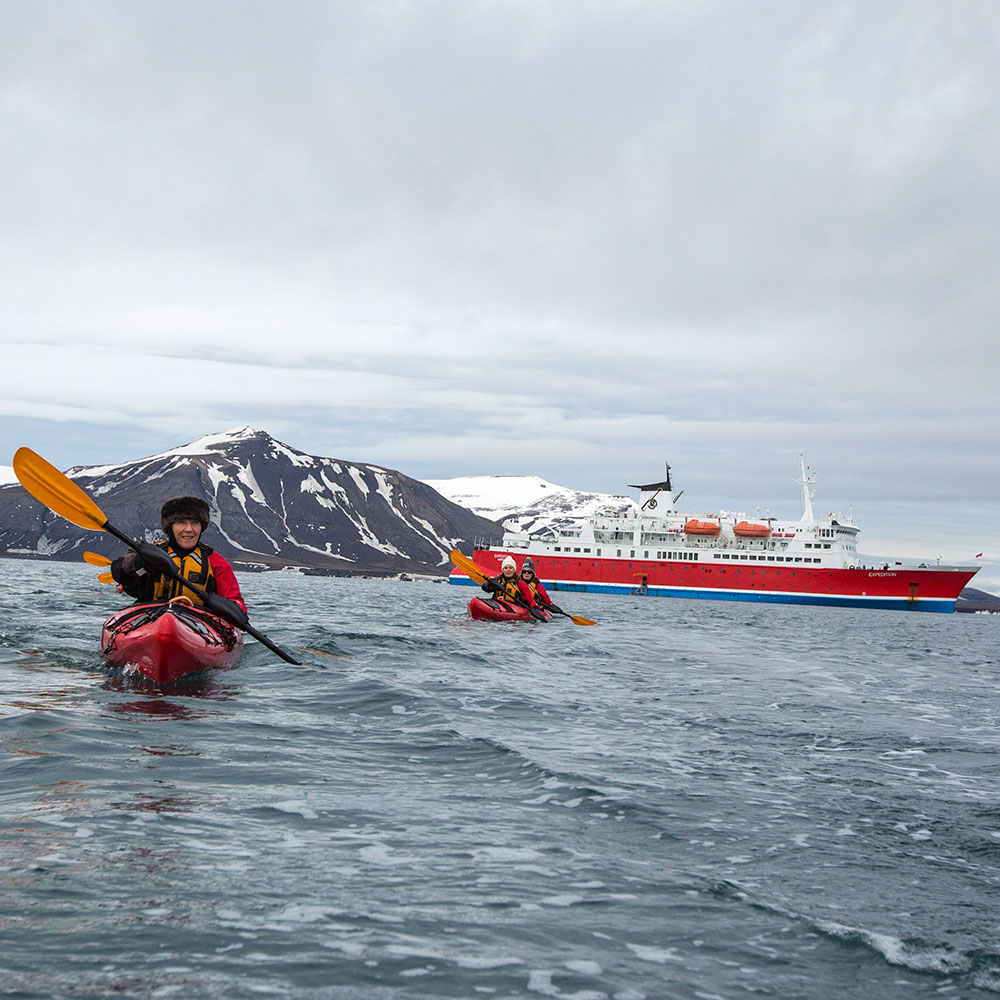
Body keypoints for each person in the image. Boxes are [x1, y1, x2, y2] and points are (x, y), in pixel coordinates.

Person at [111, 496, 248, 625]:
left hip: (199, 626)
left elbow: (236, 603)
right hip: (150, 620)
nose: (189, 529)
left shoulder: (217, 563)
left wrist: (232, 610)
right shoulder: (147, 554)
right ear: (170, 527)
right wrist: (141, 563)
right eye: (181, 522)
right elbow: (120, 573)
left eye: (195, 523)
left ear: (202, 527)